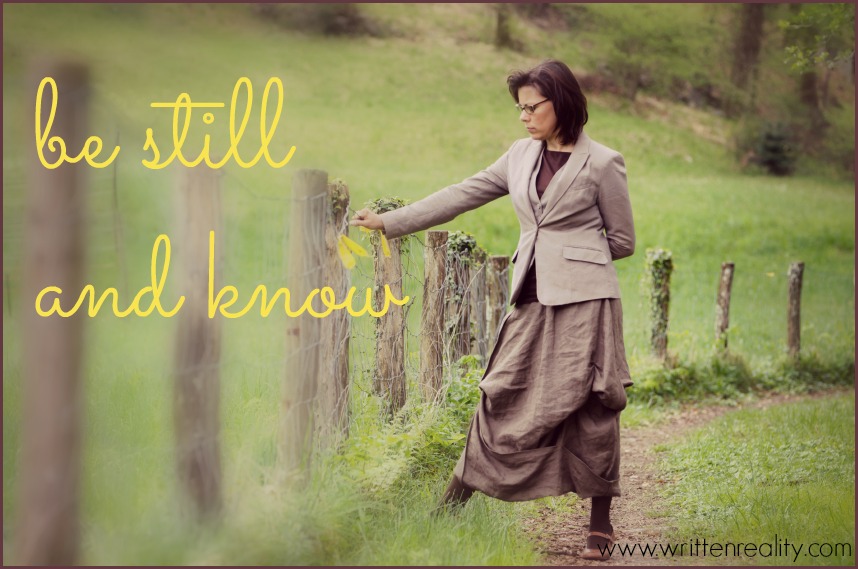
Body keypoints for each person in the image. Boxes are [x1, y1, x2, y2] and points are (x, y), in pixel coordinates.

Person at [350, 59, 634, 562]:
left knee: (592, 402)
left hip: (587, 303)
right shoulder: (519, 156)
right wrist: (389, 221)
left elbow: (623, 240)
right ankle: (450, 506)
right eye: (519, 109)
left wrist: (569, 258)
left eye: (532, 107)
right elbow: (462, 194)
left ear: (561, 102)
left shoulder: (603, 162)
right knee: (499, 391)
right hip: (529, 297)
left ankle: (600, 523)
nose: (523, 118)